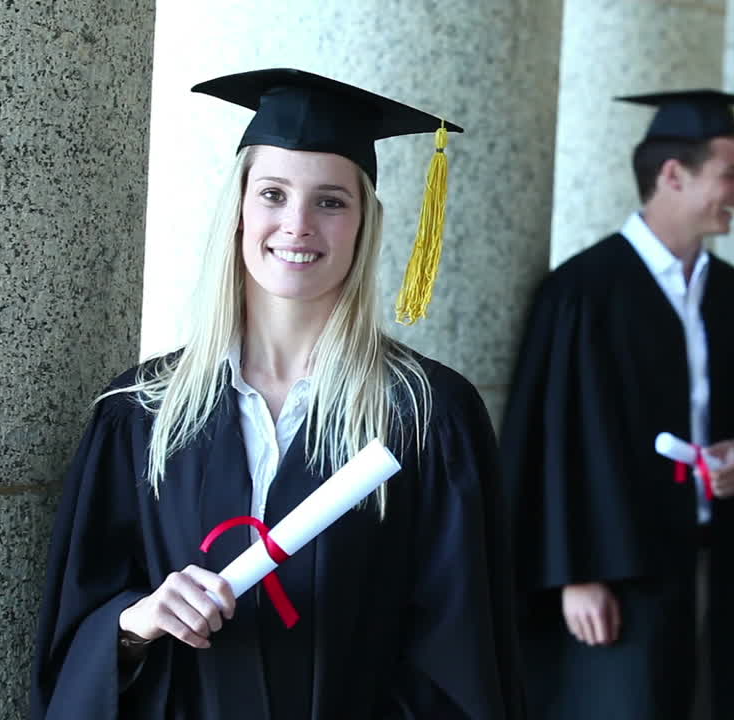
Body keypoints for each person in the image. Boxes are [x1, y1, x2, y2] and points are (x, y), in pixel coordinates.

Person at [31, 68, 523, 720]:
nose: (297, 224)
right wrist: (135, 622)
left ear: (364, 224)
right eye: (272, 193)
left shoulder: (426, 417)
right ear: (237, 210)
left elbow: (461, 652)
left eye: (330, 201)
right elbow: (76, 636)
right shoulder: (141, 412)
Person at [501, 90, 734, 719]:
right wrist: (574, 572)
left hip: (713, 561)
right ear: (674, 176)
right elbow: (549, 440)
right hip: (621, 577)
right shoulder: (582, 293)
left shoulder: (732, 296)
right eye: (731, 174)